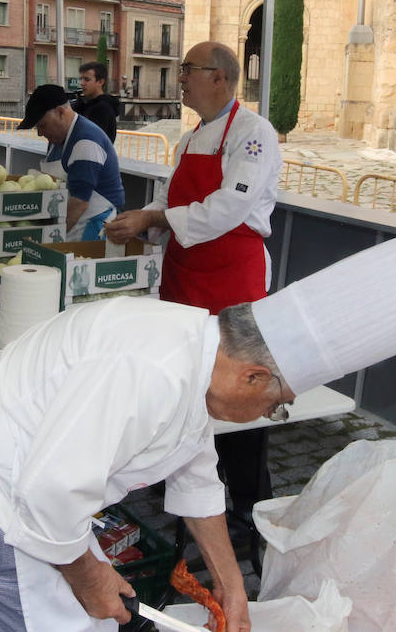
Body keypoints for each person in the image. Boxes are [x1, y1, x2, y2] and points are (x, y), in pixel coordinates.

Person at [0, 236, 396, 632]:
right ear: (254, 375)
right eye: (275, 406)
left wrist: (232, 586)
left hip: (9, 482)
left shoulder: (198, 349)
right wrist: (90, 577)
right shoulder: (153, 370)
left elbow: (196, 477)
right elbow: (48, 494)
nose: (266, 415)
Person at [106, 42, 283, 532]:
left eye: (189, 70)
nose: (181, 77)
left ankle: (249, 499)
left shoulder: (254, 134)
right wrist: (142, 225)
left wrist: (156, 216)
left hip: (232, 276)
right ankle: (179, 477)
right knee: (183, 381)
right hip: (184, 275)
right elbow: (167, 199)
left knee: (240, 386)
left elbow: (229, 207)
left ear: (220, 78)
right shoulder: (188, 139)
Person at [17, 84, 124, 242]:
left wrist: (48, 240)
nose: (40, 133)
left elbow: (79, 202)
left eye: (42, 125)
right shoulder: (57, 139)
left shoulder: (86, 142)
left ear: (60, 112)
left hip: (92, 225)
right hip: (69, 222)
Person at [73, 61, 118, 143]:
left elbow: (90, 138)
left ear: (100, 82)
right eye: (81, 79)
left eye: (87, 79)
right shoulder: (83, 104)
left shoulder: (103, 109)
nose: (82, 83)